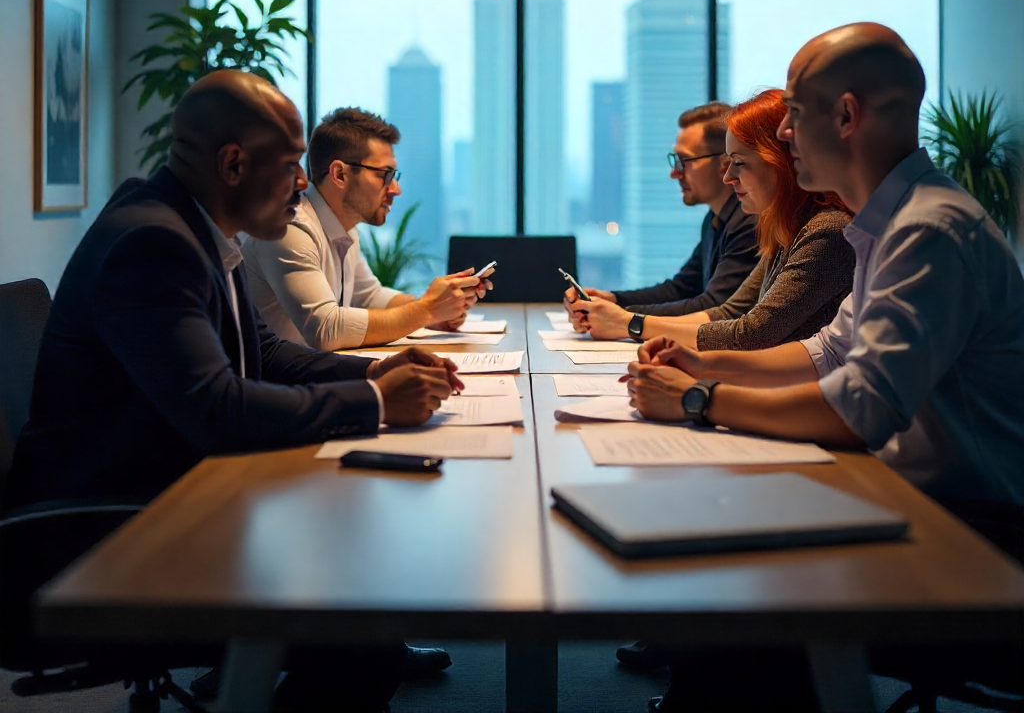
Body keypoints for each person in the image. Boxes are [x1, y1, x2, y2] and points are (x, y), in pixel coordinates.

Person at [4, 71, 462, 712]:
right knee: (357, 625)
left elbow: (264, 355)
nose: (305, 184)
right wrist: (381, 404)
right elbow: (217, 408)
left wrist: (373, 374)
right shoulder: (152, 244)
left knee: (362, 596)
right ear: (234, 164)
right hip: (105, 537)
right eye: (294, 164)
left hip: (171, 498)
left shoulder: (195, 231)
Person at [626, 24, 1024, 712]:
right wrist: (698, 359)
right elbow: (828, 354)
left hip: (975, 532)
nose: (782, 133)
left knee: (736, 587)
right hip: (916, 497)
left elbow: (855, 408)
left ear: (845, 116)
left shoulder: (929, 231)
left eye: (795, 114)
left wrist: (698, 399)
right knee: (718, 538)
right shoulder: (887, 224)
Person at [574, 90, 855, 352]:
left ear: (779, 162)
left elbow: (750, 334)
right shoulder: (784, 227)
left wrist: (629, 323)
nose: (727, 176)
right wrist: (620, 311)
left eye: (739, 162)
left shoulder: (824, 231)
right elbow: (727, 312)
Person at [244, 107, 491, 351]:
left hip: (308, 378)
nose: (395, 189)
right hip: (275, 385)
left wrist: (437, 310)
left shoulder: (344, 227)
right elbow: (325, 329)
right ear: (340, 174)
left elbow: (369, 296)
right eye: (384, 175)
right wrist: (427, 309)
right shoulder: (290, 227)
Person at [563, 102, 758, 325]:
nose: (674, 173)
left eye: (684, 161)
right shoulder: (716, 220)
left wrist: (622, 318)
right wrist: (613, 301)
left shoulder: (748, 222)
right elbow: (681, 288)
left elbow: (713, 308)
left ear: (725, 163)